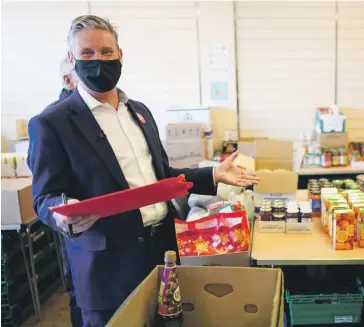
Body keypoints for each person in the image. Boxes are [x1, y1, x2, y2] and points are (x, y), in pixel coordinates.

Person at [27, 15, 260, 327]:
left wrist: (214, 174)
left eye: (106, 52)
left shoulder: (139, 111)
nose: (98, 61)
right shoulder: (51, 123)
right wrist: (60, 212)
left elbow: (162, 176)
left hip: (160, 252)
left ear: (120, 55)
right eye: (87, 53)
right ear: (72, 60)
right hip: (106, 265)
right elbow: (44, 197)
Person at [53, 57, 83, 327]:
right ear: (67, 80)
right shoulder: (53, 120)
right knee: (79, 293)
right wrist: (62, 207)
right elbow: (47, 192)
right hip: (79, 227)